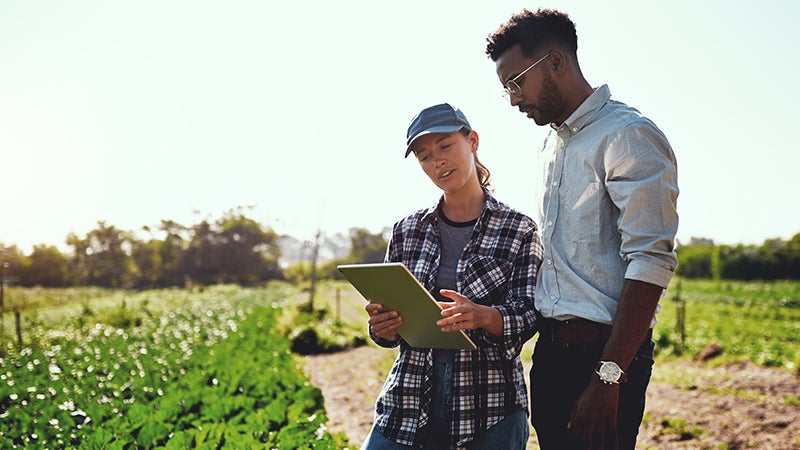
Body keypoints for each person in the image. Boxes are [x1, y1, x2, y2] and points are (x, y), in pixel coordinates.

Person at [485, 8, 679, 450]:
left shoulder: (627, 135)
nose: (514, 99)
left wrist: (608, 377)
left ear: (555, 62)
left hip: (604, 359)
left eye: (517, 82)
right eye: (506, 89)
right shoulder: (550, 146)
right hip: (551, 354)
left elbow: (650, 261)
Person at [360, 103, 543, 450]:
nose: (437, 161)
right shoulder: (406, 230)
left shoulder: (519, 229)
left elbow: (531, 313)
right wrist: (381, 327)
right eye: (425, 156)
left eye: (445, 146)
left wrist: (485, 316)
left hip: (490, 407)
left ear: (472, 141)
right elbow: (386, 327)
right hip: (408, 400)